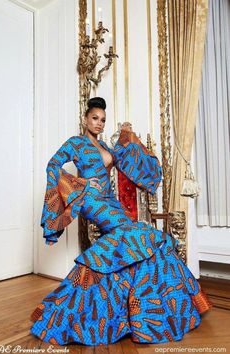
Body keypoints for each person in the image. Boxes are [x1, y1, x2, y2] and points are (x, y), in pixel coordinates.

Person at [30, 97, 212, 346]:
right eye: (95, 118)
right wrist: (80, 185)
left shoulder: (105, 145)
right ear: (85, 119)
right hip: (93, 201)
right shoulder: (76, 143)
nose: (99, 123)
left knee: (142, 240)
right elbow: (52, 165)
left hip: (112, 201)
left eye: (103, 120)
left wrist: (127, 132)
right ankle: (76, 310)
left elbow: (127, 158)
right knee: (139, 234)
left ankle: (153, 310)